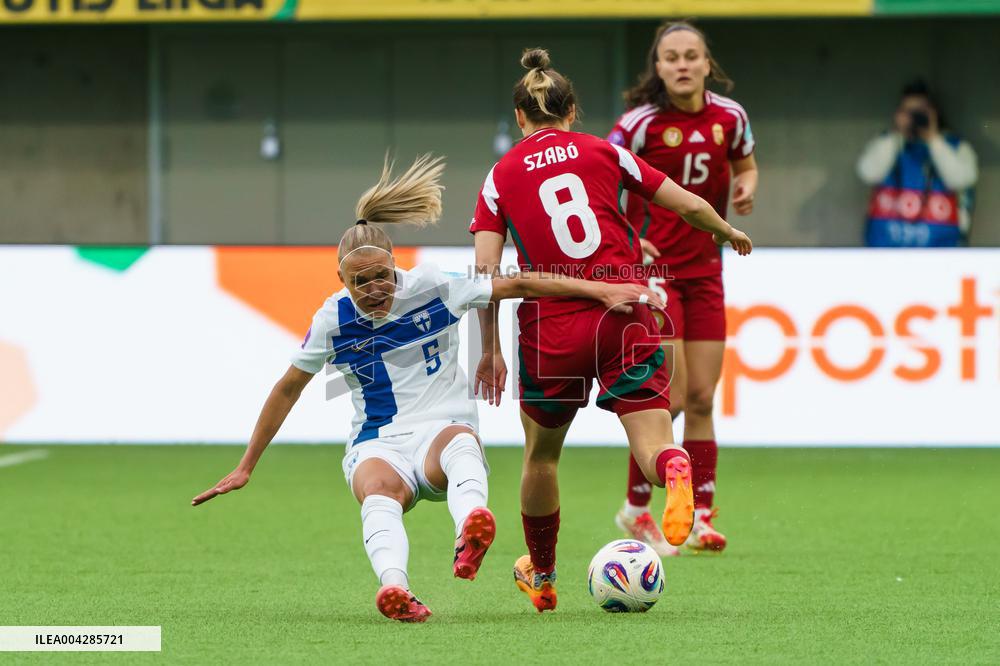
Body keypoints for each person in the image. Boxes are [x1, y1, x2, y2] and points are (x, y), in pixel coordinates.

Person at [191, 154, 664, 623]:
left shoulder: (434, 286)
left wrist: (598, 290)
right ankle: (395, 587)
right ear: (340, 280)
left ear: (396, 263)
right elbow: (287, 388)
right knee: (376, 492)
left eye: (382, 275)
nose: (375, 287)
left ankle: (470, 532)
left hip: (442, 427)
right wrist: (246, 465)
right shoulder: (331, 321)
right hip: (377, 440)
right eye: (361, 281)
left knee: (460, 444)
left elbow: (515, 282)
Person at [470, 48, 752, 613]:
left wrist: (491, 349)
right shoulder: (607, 153)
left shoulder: (500, 177)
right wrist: (727, 230)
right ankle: (675, 470)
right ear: (572, 111)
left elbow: (485, 277)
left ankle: (543, 576)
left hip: (550, 329)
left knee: (542, 459)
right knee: (653, 441)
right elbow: (686, 203)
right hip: (626, 313)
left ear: (520, 118)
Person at [605, 21, 759, 557]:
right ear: (659, 66)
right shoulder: (638, 124)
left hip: (707, 274)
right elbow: (603, 179)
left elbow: (747, 164)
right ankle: (637, 509)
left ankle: (700, 514)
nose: (682, 65)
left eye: (691, 56)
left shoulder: (730, 117)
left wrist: (745, 187)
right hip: (655, 274)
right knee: (665, 398)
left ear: (706, 63)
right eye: (671, 58)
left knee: (701, 396)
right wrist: (626, 241)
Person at [857, 79, 978, 247]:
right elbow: (867, 173)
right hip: (885, 254)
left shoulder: (955, 145)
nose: (913, 118)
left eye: (919, 112)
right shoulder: (887, 142)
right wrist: (897, 134)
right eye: (907, 112)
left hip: (939, 255)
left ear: (933, 113)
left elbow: (962, 180)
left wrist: (933, 139)